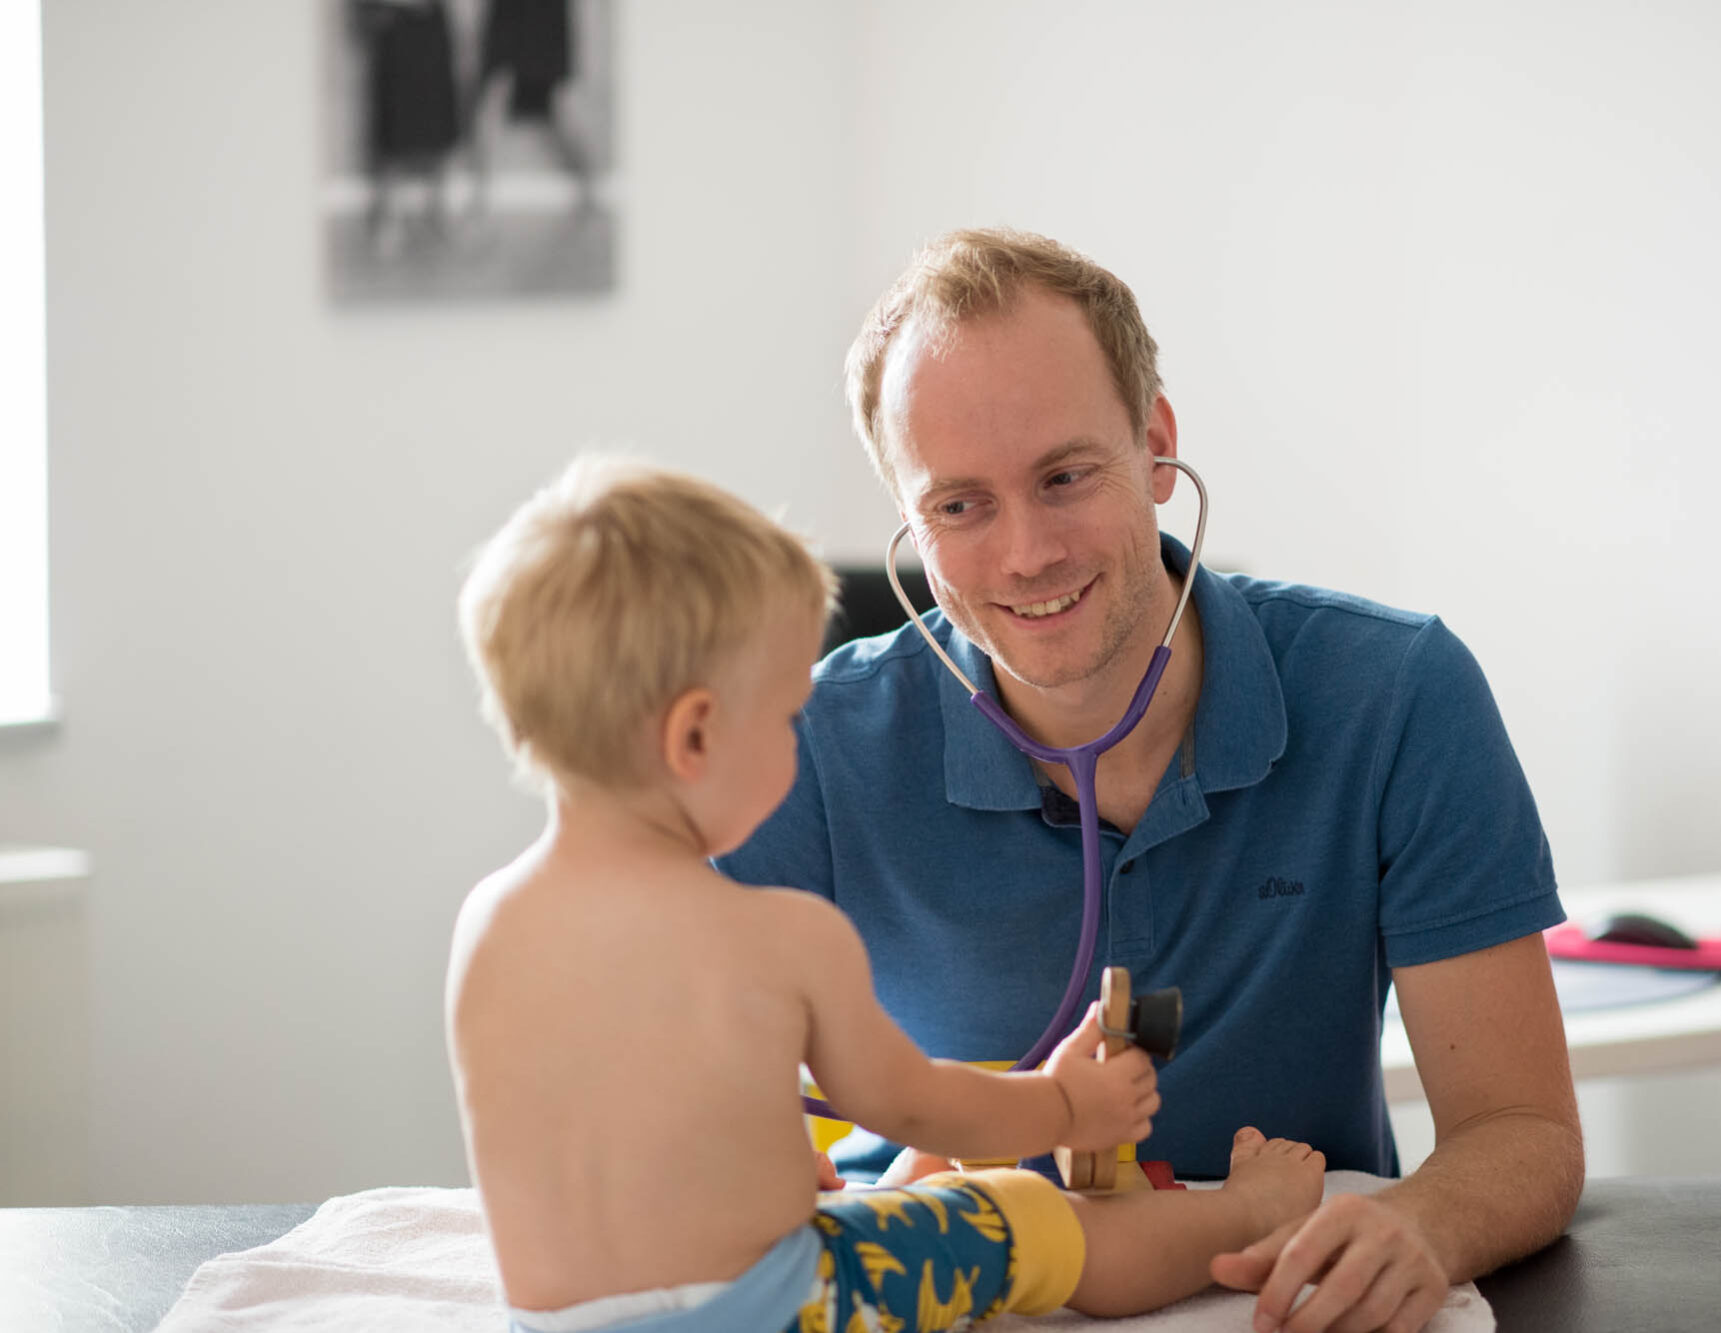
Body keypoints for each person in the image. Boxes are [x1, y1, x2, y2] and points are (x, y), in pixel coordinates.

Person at [716, 230, 1586, 1332]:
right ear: (910, 519)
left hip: (1287, 1297)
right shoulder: (807, 746)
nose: (1026, 552)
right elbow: (672, 1101)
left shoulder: (1396, 696)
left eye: (1065, 476)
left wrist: (1422, 1227)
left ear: (1157, 447)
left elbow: (1522, 1130)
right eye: (959, 506)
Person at [448, 456, 1329, 1333]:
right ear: (695, 735)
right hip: (774, 1309)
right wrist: (1066, 1105)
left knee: (904, 1191)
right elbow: (910, 1100)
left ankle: (921, 1194)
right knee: (1029, 1216)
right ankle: (1243, 1214)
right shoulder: (777, 935)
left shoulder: (489, 922)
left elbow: (611, 1134)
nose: (800, 747)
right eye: (785, 716)